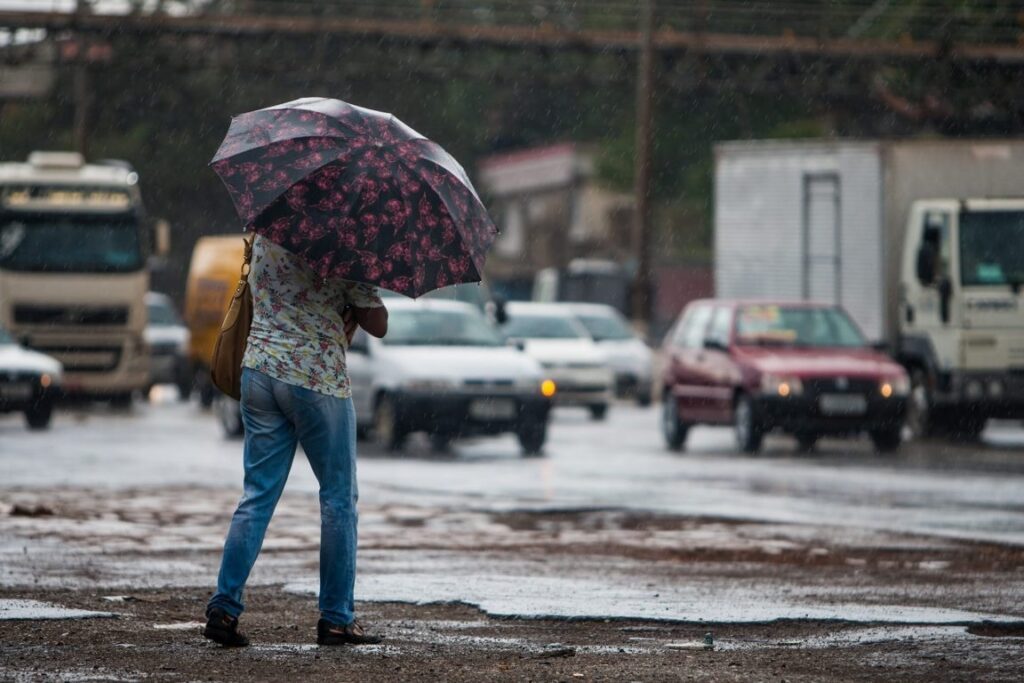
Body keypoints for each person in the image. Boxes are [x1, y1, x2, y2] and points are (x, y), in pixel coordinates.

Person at [203, 233, 388, 648]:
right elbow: (379, 324)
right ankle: (336, 618)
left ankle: (224, 607)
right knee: (338, 499)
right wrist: (359, 295)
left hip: (260, 372)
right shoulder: (347, 244)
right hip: (315, 377)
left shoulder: (267, 233)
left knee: (257, 496)